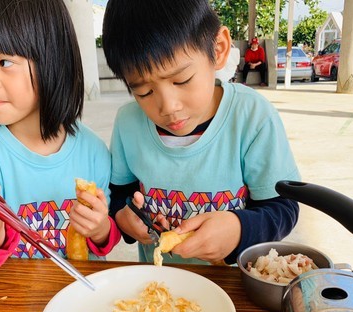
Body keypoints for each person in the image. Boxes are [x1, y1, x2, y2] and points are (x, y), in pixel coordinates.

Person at [101, 0, 300, 266]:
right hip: (157, 290)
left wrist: (238, 228)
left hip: (232, 286)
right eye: (144, 91)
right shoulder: (129, 124)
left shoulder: (251, 116)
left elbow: (283, 208)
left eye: (181, 80)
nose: (168, 107)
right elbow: (118, 195)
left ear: (218, 49)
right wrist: (124, 217)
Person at [0, 0, 120, 271]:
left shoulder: (93, 151)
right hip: (10, 303)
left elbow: (105, 241)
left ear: (53, 57)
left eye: (4, 61)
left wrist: (100, 228)